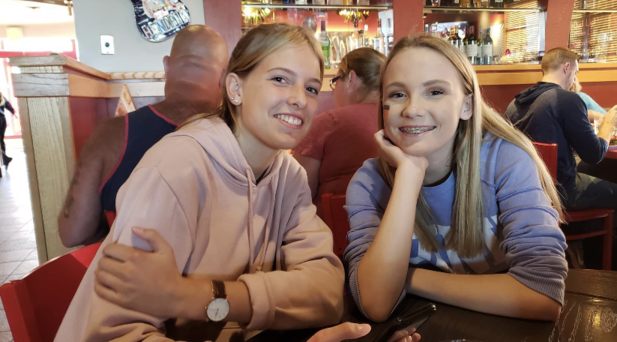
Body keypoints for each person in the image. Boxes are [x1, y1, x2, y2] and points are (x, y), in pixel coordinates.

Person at [54, 23, 346, 342]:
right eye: (280, 79)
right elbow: (115, 333)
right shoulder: (174, 169)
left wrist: (199, 296)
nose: (299, 99)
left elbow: (326, 294)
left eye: (312, 88)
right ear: (235, 89)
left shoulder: (289, 174)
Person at [344, 35, 568, 324]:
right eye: (398, 94)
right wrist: (409, 177)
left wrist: (407, 278)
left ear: (467, 106)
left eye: (435, 91)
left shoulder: (505, 162)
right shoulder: (369, 182)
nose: (412, 109)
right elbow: (375, 302)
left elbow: (543, 296)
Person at [57, 25, 229, 247]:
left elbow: (74, 234)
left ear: (166, 66)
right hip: (219, 280)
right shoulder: (242, 135)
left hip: (130, 275)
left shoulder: (111, 135)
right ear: (224, 78)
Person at [504, 48, 617, 223]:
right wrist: (609, 125)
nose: (574, 79)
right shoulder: (567, 99)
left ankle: (583, 245)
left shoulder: (514, 104)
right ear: (567, 68)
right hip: (562, 192)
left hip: (526, 189)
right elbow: (594, 154)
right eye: (576, 72)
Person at [294, 48, 385, 218]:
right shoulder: (398, 121)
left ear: (351, 79)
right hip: (394, 234)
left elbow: (298, 195)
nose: (335, 89)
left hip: (331, 238)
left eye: (335, 81)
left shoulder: (328, 123)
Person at [0, 92, 16, 170]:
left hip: (1, 121)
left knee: (1, 141)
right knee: (1, 141)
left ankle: (5, 160)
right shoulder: (2, 97)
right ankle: (5, 160)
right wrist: (14, 112)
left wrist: (13, 112)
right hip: (2, 121)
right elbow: (8, 105)